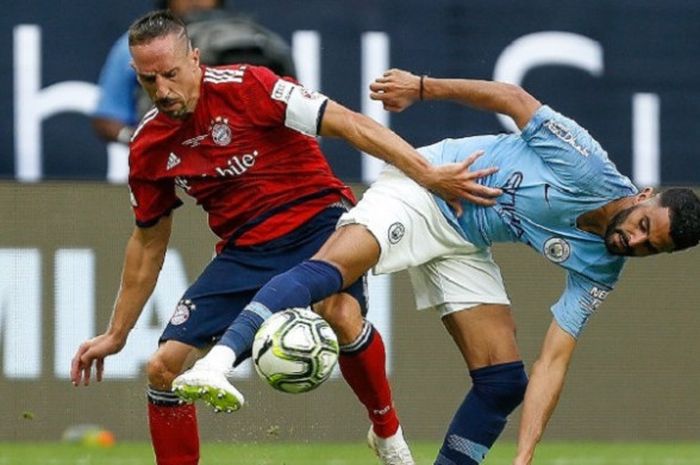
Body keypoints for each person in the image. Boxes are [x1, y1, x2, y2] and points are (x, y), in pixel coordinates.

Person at [175, 68, 700, 465]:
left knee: (503, 383)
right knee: (333, 268)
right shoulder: (587, 165)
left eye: (649, 249)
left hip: (465, 241)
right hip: (427, 187)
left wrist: (524, 455)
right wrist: (421, 87)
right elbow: (513, 99)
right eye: (642, 226)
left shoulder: (602, 268)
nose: (632, 241)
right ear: (644, 195)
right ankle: (219, 361)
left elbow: (554, 360)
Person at [70, 12, 500, 465]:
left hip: (319, 222)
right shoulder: (149, 145)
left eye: (171, 74)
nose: (161, 90)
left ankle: (386, 432)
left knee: (339, 312)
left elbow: (350, 124)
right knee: (162, 369)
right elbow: (148, 243)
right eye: (148, 79)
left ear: (195, 60)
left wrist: (428, 175)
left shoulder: (251, 85)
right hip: (244, 251)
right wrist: (117, 333)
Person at [92, 0, 296, 145]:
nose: (194, 1)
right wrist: (142, 140)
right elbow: (107, 117)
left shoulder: (266, 42)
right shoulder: (138, 45)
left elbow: (297, 117)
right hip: (173, 173)